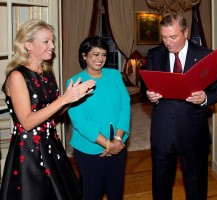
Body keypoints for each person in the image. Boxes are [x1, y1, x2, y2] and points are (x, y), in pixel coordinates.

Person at [0, 19, 95, 200]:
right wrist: (63, 100)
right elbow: (27, 122)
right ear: (28, 45)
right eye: (46, 41)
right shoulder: (17, 76)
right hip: (28, 152)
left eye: (52, 41)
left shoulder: (47, 73)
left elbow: (52, 115)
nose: (52, 46)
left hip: (52, 145)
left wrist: (72, 99)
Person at [144, 14, 217, 200]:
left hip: (193, 133)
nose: (167, 42)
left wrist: (205, 97)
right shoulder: (154, 54)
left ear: (186, 32)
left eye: (173, 37)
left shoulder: (205, 55)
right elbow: (144, 88)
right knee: (161, 185)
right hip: (162, 133)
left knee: (196, 186)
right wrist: (150, 95)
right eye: (164, 37)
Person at [67, 36, 130, 200]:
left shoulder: (115, 75)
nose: (100, 59)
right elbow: (81, 122)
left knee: (116, 192)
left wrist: (117, 140)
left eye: (103, 54)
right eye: (95, 54)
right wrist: (107, 145)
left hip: (118, 144)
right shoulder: (75, 82)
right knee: (92, 193)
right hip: (90, 149)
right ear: (84, 55)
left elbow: (125, 106)